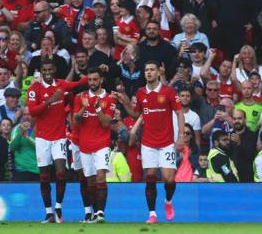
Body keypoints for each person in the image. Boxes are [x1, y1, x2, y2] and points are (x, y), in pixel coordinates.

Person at [116, 60, 185, 224]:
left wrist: (181, 136)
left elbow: (180, 112)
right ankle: (152, 214)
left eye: (152, 70)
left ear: (158, 72)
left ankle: (168, 201)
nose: (148, 72)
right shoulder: (140, 93)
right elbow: (136, 115)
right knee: (151, 176)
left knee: (169, 179)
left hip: (167, 142)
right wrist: (125, 102)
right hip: (148, 143)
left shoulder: (168, 92)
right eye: (146, 70)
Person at [27, 59, 88, 223]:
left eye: (50, 69)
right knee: (44, 177)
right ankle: (48, 213)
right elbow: (33, 111)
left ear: (54, 70)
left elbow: (80, 83)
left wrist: (101, 69)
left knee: (61, 173)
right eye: (44, 69)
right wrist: (49, 101)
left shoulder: (61, 85)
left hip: (59, 137)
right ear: (41, 71)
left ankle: (58, 207)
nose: (47, 72)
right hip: (41, 139)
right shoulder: (34, 89)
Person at [73, 67, 116, 223]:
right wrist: (84, 106)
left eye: (95, 79)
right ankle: (93, 213)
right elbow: (76, 120)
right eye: (89, 80)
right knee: (90, 181)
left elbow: (106, 123)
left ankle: (100, 212)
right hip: (85, 145)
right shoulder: (80, 98)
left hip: (102, 144)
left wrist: (97, 108)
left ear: (101, 80)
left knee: (100, 176)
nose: (92, 82)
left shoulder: (110, 98)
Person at [9, 108, 39, 182]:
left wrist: (27, 138)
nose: (26, 117)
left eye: (29, 114)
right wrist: (20, 133)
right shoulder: (17, 128)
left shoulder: (41, 127)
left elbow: (42, 148)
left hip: (38, 170)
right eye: (24, 114)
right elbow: (12, 147)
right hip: (21, 171)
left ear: (35, 116)